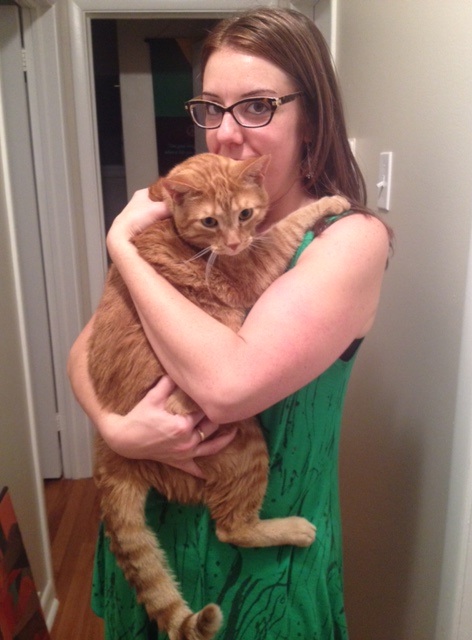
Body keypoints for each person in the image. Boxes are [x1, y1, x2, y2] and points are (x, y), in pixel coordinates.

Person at [68, 7, 392, 640]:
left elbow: (227, 388)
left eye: (257, 106)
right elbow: (86, 349)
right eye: (211, 108)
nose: (225, 132)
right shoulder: (191, 217)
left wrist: (122, 248)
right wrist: (115, 429)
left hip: (261, 566)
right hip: (152, 530)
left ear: (312, 116)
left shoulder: (349, 239)